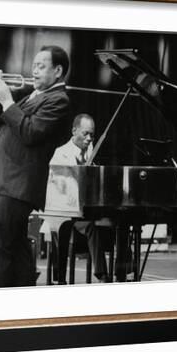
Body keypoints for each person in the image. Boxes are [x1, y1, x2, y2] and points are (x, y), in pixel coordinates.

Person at [0, 45, 71, 288]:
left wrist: (8, 100)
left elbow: (30, 133)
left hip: (16, 184)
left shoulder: (58, 100)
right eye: (33, 66)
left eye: (41, 66)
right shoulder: (36, 95)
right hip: (11, 182)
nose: (34, 71)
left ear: (58, 71)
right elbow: (7, 125)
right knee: (17, 250)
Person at [49, 114, 112, 283]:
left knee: (119, 221)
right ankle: (101, 275)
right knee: (91, 226)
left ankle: (124, 269)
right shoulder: (60, 153)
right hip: (64, 212)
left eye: (92, 135)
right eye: (86, 134)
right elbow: (58, 186)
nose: (89, 139)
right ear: (74, 131)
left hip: (85, 210)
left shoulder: (92, 152)